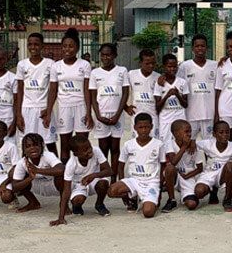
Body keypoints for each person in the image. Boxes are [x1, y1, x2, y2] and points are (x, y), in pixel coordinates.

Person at [45, 28, 93, 163]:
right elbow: (53, 91)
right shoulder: (56, 66)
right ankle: (65, 172)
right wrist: (48, 112)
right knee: (64, 144)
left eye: (71, 46)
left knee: (82, 144)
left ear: (77, 48)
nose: (67, 49)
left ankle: (83, 171)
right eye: (65, 46)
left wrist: (89, 113)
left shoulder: (85, 65)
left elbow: (87, 90)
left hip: (81, 106)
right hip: (64, 108)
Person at [108, 114, 165, 218]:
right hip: (134, 181)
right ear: (135, 127)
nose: (144, 130)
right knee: (111, 191)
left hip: (151, 182)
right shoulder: (128, 144)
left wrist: (160, 189)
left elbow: (163, 166)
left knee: (148, 213)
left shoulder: (158, 144)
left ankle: (149, 199)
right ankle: (132, 197)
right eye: (140, 127)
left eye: (146, 127)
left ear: (151, 127)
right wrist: (123, 182)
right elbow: (121, 165)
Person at [51, 134, 112, 226]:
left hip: (95, 179)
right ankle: (77, 206)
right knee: (77, 200)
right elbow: (66, 191)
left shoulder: (96, 151)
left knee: (103, 183)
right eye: (85, 150)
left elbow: (109, 171)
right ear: (76, 154)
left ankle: (99, 204)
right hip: (80, 184)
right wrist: (61, 218)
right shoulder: (71, 164)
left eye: (89, 147)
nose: (89, 150)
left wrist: (94, 175)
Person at [89, 43, 129, 182]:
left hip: (117, 115)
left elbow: (125, 93)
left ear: (114, 55)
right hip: (101, 116)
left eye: (108, 55)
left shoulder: (122, 71)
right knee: (103, 147)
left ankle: (113, 179)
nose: (105, 58)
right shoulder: (95, 73)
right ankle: (104, 178)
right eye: (103, 55)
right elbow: (93, 96)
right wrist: (98, 116)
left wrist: (118, 115)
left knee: (115, 148)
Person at [15, 33, 58, 156]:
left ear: (42, 46)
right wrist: (18, 114)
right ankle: (26, 167)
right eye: (30, 44)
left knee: (49, 143)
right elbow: (19, 90)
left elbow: (53, 89)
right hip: (26, 110)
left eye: (36, 44)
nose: (33, 47)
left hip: (43, 109)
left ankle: (56, 167)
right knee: (27, 143)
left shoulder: (50, 64)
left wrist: (48, 110)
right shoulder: (22, 64)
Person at [194, 121, 232, 211]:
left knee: (230, 165)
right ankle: (213, 191)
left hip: (224, 175)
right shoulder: (207, 144)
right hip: (209, 173)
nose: (225, 135)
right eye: (221, 132)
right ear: (214, 134)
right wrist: (191, 144)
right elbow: (193, 144)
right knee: (199, 192)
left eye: (227, 132)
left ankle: (227, 199)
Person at [4, 133, 65, 212]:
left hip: (54, 186)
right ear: (24, 150)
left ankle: (64, 204)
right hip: (36, 186)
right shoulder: (22, 162)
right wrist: (29, 178)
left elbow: (61, 169)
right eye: (28, 146)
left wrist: (37, 170)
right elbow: (15, 187)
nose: (32, 148)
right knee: (18, 176)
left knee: (61, 176)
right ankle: (33, 203)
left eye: (35, 145)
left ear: (42, 146)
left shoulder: (48, 155)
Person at [178, 34, 218, 140]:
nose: (200, 48)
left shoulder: (215, 65)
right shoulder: (185, 66)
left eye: (202, 46)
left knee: (209, 144)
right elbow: (176, 83)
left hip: (209, 114)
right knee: (188, 142)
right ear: (192, 48)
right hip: (191, 114)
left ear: (207, 48)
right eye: (197, 46)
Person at [164, 120, 204, 211]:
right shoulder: (170, 143)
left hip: (188, 176)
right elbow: (173, 162)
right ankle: (171, 199)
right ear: (176, 133)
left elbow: (200, 168)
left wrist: (187, 176)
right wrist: (184, 146)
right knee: (170, 168)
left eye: (190, 131)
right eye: (186, 131)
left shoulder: (194, 146)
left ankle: (185, 195)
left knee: (192, 204)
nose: (189, 134)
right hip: (175, 175)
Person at [154, 53, 188, 142]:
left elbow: (185, 105)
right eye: (169, 66)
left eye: (175, 66)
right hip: (165, 121)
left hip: (179, 119)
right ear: (164, 67)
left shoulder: (182, 82)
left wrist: (177, 95)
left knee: (180, 143)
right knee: (165, 146)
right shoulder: (159, 83)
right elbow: (157, 107)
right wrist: (167, 96)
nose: (172, 69)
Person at [126, 49, 161, 138]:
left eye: (153, 63)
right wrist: (126, 107)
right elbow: (121, 91)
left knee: (153, 142)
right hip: (136, 116)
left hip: (153, 117)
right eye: (147, 63)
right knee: (137, 142)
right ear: (140, 63)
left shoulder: (158, 77)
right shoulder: (131, 74)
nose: (151, 66)